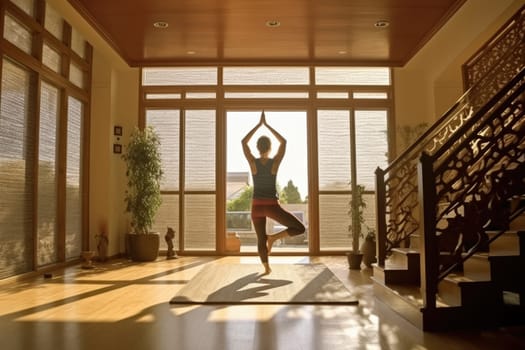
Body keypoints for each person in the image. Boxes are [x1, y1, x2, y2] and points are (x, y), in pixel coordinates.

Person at [242, 111, 306, 275]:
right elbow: (284, 142)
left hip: (256, 207)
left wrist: (258, 125)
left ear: (257, 148)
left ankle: (266, 268)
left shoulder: (253, 163)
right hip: (272, 206)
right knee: (299, 228)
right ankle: (274, 238)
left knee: (260, 239)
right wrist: (267, 125)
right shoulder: (274, 163)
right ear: (270, 148)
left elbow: (243, 142)